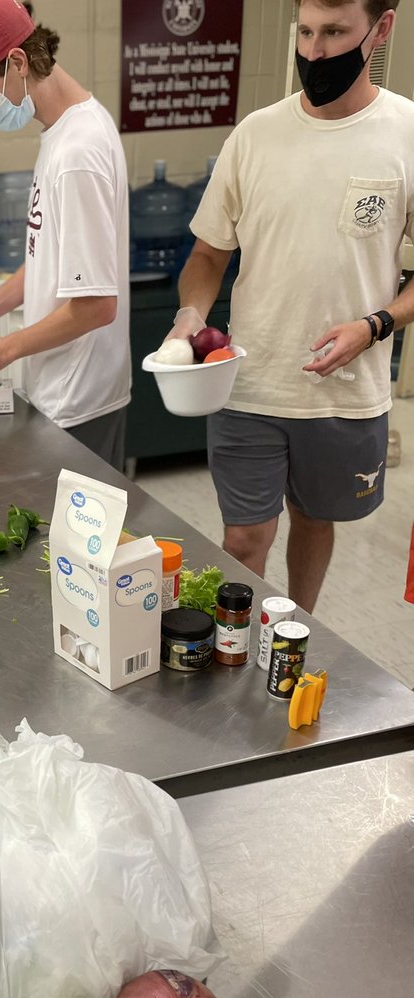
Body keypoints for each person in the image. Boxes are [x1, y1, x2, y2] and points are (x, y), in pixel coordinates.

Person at [173, 0, 414, 614]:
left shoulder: (406, 134)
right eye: (305, 32)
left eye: (335, 32)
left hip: (345, 388)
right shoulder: (254, 135)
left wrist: (375, 325)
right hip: (248, 378)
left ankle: (294, 632)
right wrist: (191, 316)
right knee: (243, 536)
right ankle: (238, 646)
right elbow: (207, 254)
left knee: (314, 520)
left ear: (381, 30)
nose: (315, 51)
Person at [0, 0, 131, 472]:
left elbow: (96, 305)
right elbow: (49, 255)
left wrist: (4, 348)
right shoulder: (61, 135)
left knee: (77, 545)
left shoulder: (78, 154)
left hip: (81, 399)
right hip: (62, 391)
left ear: (18, 64)